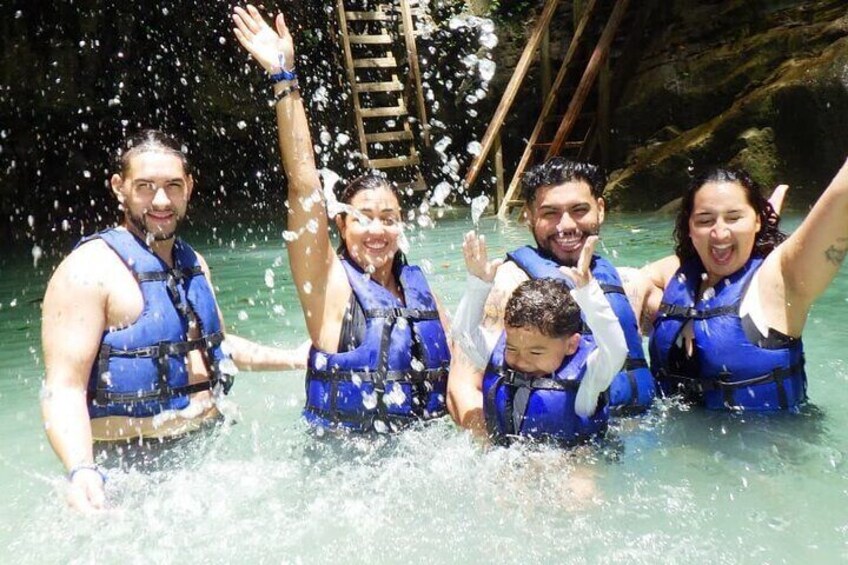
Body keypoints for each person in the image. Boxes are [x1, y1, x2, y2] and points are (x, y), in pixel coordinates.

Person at [40, 129, 309, 513]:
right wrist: (81, 470)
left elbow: (213, 348)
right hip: (128, 466)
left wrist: (294, 358)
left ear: (189, 188)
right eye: (145, 187)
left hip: (208, 449)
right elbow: (62, 388)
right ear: (119, 188)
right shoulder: (88, 271)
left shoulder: (193, 263)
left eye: (173, 186)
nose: (162, 200)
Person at [232, 5, 451, 434]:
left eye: (388, 218)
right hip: (346, 457)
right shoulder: (329, 286)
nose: (377, 230)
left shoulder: (419, 291)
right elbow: (304, 185)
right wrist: (284, 78)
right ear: (341, 225)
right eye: (363, 218)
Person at [642, 160, 848, 411]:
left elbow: (842, 200)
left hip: (772, 435)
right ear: (690, 228)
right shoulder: (681, 279)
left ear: (758, 221)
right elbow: (637, 279)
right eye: (705, 220)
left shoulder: (781, 280)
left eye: (734, 218)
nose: (720, 233)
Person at [470, 158, 655, 415]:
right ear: (529, 215)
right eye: (550, 213)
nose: (566, 226)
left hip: (641, 427)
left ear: (600, 209)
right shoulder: (509, 286)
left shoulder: (630, 281)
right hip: (552, 435)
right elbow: (464, 388)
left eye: (579, 210)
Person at [449, 232, 627, 445]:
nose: (520, 360)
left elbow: (616, 350)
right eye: (512, 348)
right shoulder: (500, 357)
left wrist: (588, 293)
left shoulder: (589, 377)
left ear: (571, 344)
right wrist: (478, 284)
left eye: (535, 352)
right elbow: (464, 334)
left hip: (572, 459)